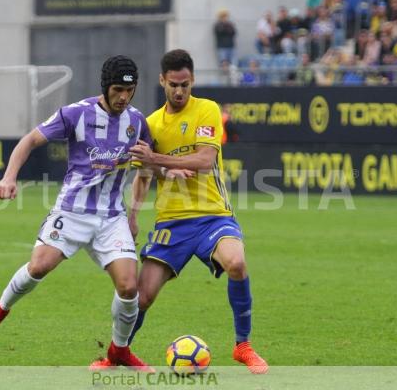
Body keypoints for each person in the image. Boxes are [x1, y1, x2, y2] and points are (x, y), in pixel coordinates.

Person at [0, 56, 154, 371]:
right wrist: (9, 176)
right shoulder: (75, 114)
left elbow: (145, 171)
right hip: (71, 213)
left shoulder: (137, 122)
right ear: (105, 87)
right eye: (118, 89)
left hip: (111, 218)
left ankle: (119, 351)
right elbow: (30, 140)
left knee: (128, 287)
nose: (124, 97)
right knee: (39, 266)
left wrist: (133, 216)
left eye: (130, 90)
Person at [92, 49, 268, 374]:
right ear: (162, 81)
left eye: (185, 85)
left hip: (213, 215)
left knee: (237, 263)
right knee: (141, 297)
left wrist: (157, 159)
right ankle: (117, 353)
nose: (179, 91)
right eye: (173, 84)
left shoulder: (207, 110)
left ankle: (243, 346)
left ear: (193, 81)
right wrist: (132, 215)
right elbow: (145, 174)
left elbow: (204, 161)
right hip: (171, 221)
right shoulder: (151, 124)